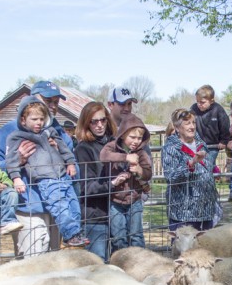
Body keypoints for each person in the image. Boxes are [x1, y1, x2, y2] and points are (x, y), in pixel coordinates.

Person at [5, 97, 88, 248]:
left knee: (73, 204)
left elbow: (64, 148)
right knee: (60, 206)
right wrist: (16, 178)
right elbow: (10, 160)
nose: (38, 123)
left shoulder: (50, 132)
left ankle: (77, 232)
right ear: (23, 120)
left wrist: (70, 163)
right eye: (34, 119)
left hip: (62, 176)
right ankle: (70, 234)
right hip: (45, 179)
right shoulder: (16, 137)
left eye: (41, 119)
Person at [100, 114, 152, 251]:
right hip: (115, 201)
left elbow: (148, 173)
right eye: (132, 137)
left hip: (134, 199)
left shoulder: (141, 153)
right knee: (118, 237)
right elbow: (104, 156)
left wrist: (140, 170)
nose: (136, 141)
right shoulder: (112, 147)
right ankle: (120, 264)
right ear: (123, 135)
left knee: (136, 235)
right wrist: (126, 157)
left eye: (139, 138)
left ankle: (140, 264)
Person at [162, 109, 217, 233]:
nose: (192, 127)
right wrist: (190, 164)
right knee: (183, 250)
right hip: (183, 212)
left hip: (206, 209)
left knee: (204, 249)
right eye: (187, 123)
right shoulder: (170, 148)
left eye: (193, 123)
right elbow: (171, 176)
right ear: (177, 127)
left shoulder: (201, 144)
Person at [73, 102, 117, 261]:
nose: (100, 125)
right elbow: (87, 187)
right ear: (86, 123)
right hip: (95, 214)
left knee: (121, 260)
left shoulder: (116, 144)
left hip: (118, 210)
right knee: (98, 262)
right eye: (94, 121)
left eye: (103, 120)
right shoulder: (83, 149)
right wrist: (111, 184)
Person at [190, 84, 232, 173]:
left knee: (207, 165)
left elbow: (225, 125)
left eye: (202, 102)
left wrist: (224, 140)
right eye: (197, 101)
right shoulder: (193, 109)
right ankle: (212, 176)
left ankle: (209, 182)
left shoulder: (218, 110)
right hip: (198, 145)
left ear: (211, 101)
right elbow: (188, 123)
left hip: (213, 145)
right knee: (200, 166)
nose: (199, 105)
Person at [30, 80, 74, 152]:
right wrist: (18, 158)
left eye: (56, 102)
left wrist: (59, 154)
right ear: (32, 100)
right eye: (48, 100)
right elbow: (4, 160)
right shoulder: (12, 129)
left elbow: (73, 162)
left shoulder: (63, 136)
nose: (53, 106)